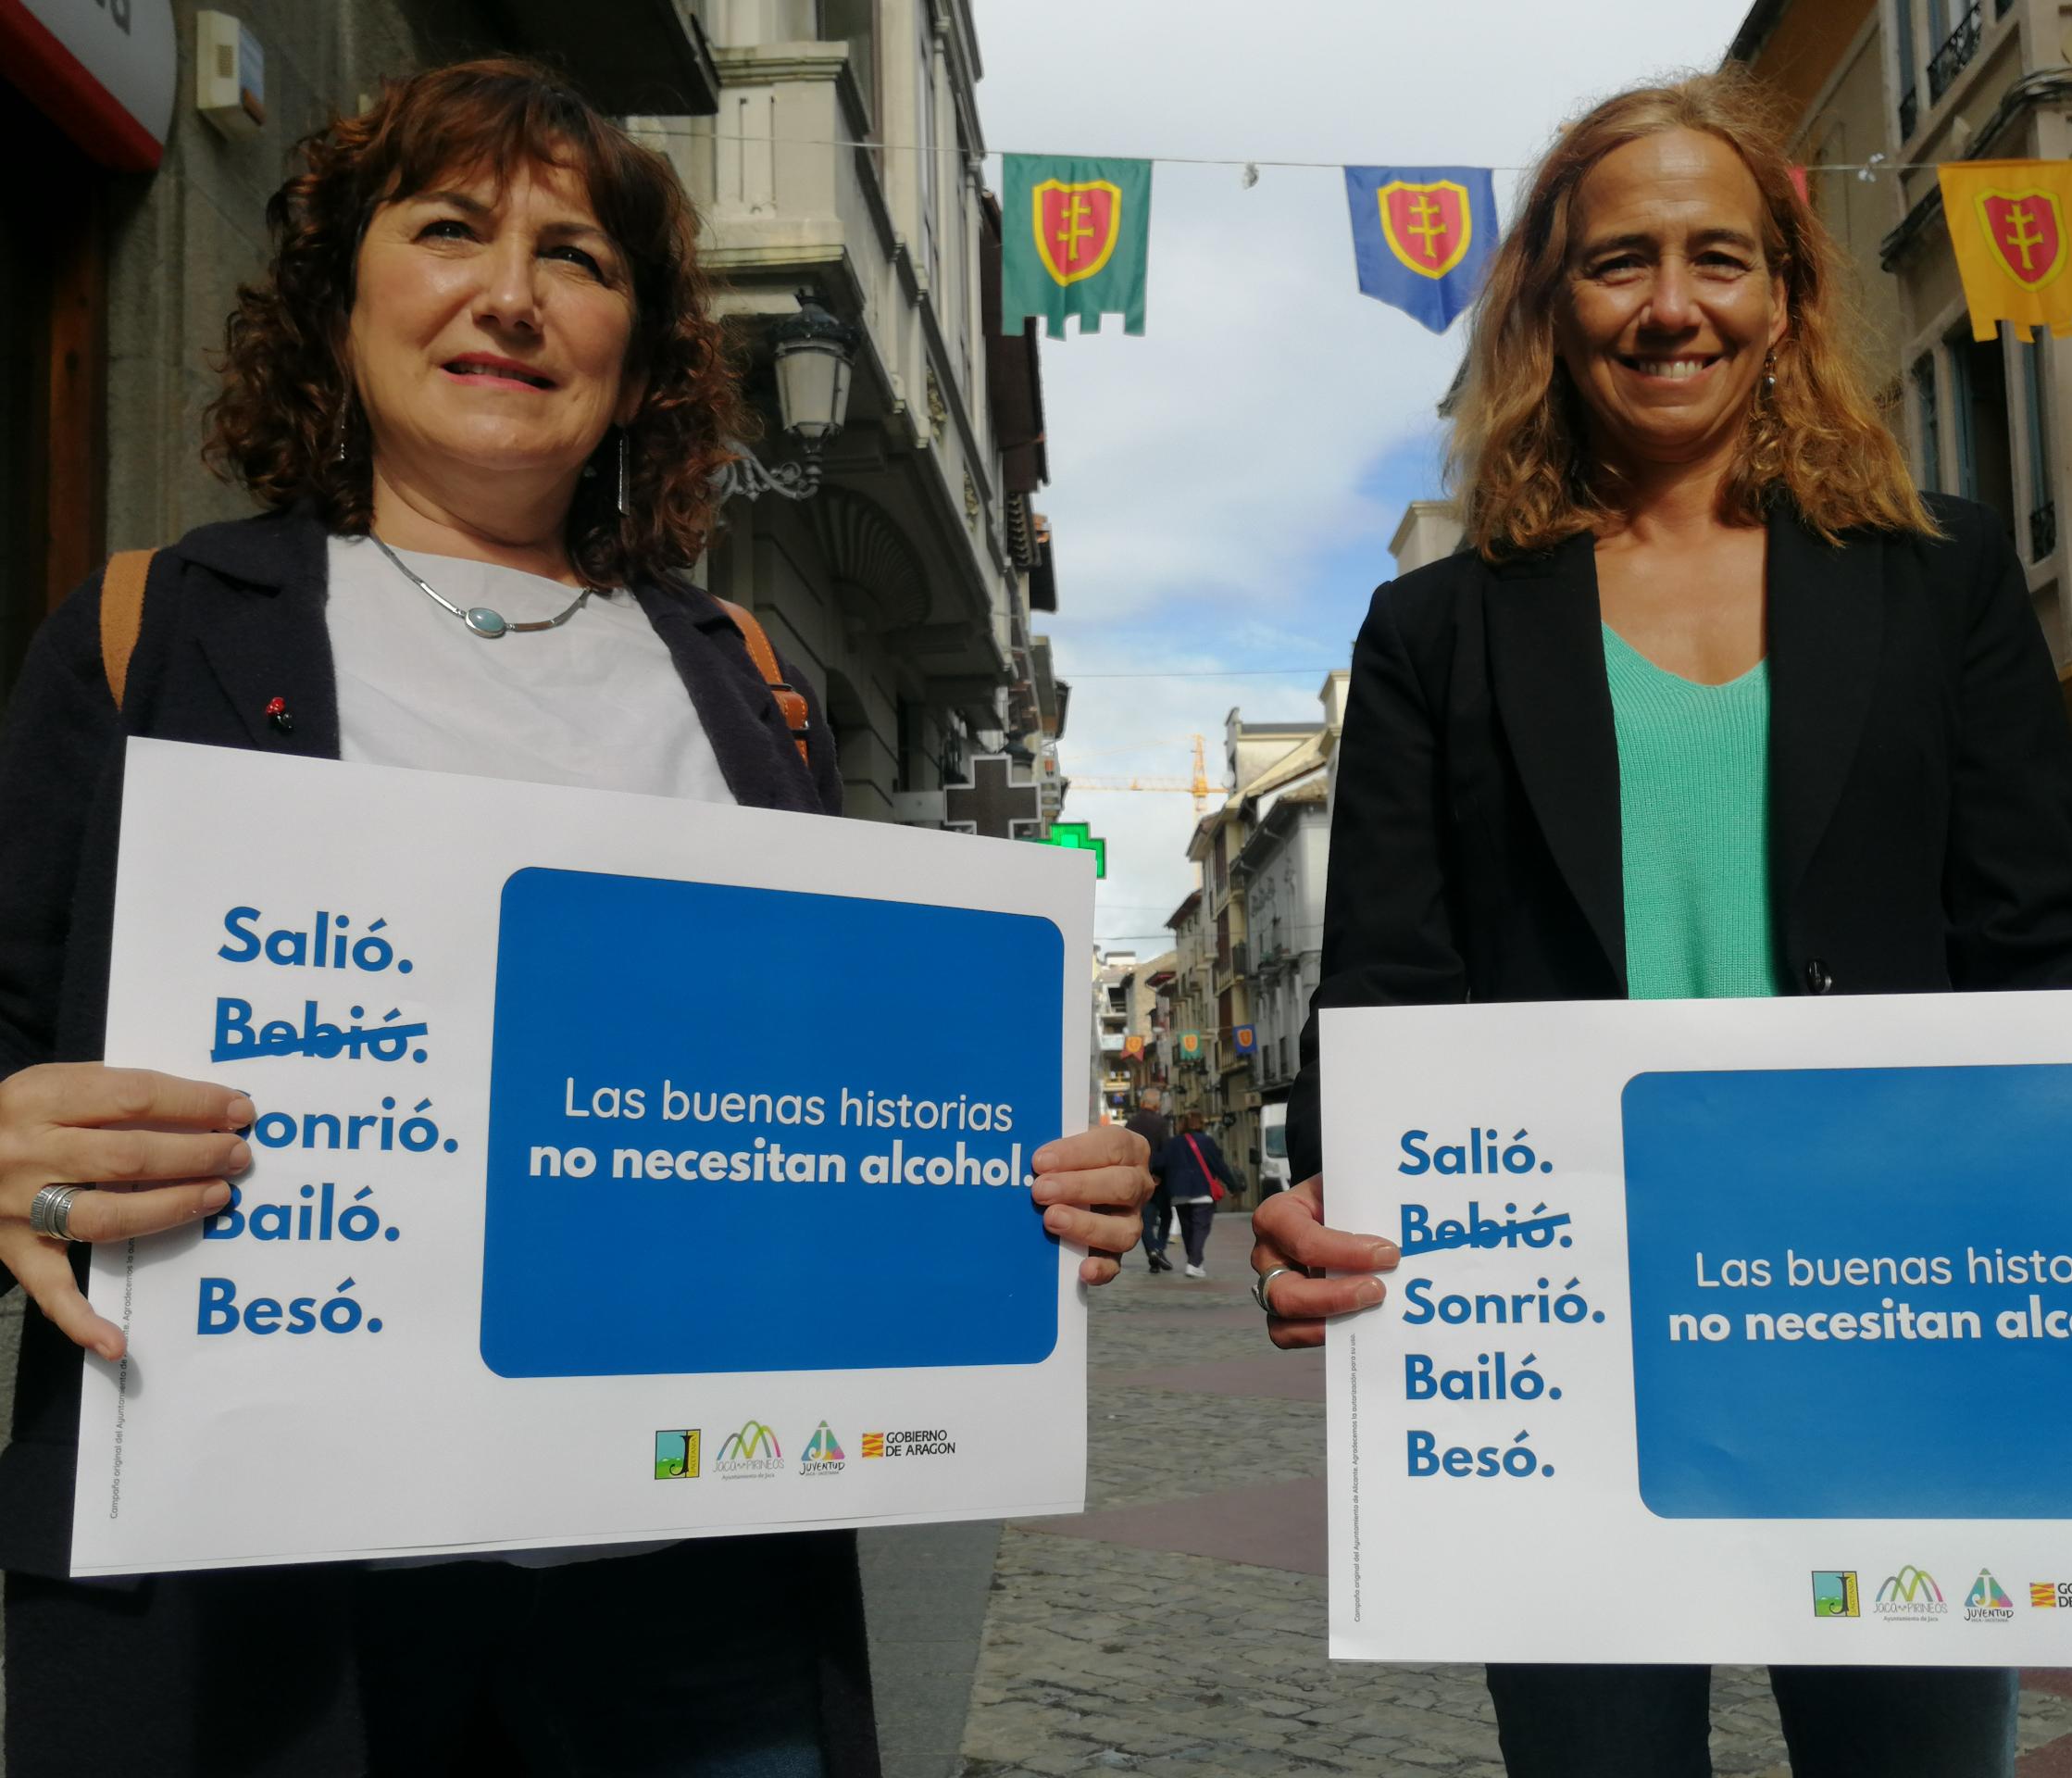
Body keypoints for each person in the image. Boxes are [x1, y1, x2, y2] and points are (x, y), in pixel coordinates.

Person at [0, 59, 1151, 1776]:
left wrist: (1034, 1180)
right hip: (262, 1605)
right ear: (340, 297)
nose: (510, 297)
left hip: (691, 1606)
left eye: (578, 259)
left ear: (637, 358)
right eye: (450, 229)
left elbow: (822, 1095)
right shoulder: (146, 630)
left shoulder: (750, 682)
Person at [1249, 69, 2072, 1778]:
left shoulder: (1941, 574)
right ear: (1549, 304)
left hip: (1886, 1315)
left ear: (1786, 294)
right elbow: (1392, 981)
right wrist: (1323, 1200)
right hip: (1571, 1333)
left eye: (1719, 258)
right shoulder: (1436, 630)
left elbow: (2041, 951)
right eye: (1621, 263)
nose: (1673, 305)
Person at [1159, 1111, 1239, 1278]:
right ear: (1200, 1123)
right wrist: (1233, 1185)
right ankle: (1194, 1263)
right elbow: (1219, 1166)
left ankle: (1195, 1261)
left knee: (1188, 1230)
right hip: (1202, 1192)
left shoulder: (1172, 1144)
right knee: (1200, 1228)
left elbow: (1160, 1164)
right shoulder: (1206, 1141)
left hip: (1179, 1194)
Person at [1126, 1087, 1175, 1271]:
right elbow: (1165, 1150)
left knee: (1145, 1218)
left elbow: (1128, 1150)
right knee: (1166, 1215)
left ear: (1142, 1103)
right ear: (1156, 1104)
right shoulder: (1161, 1123)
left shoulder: (1131, 1123)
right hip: (1158, 1180)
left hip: (1138, 1177)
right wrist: (1158, 1174)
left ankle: (1152, 1252)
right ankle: (1159, 1248)